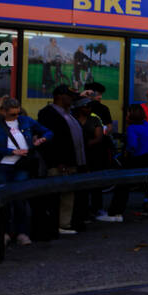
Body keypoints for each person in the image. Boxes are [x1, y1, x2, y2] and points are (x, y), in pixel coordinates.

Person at [0, 97, 51, 246]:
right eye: (12, 114)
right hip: (4, 164)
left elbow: (48, 132)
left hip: (22, 164)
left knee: (20, 200)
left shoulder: (26, 121)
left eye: (18, 113)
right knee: (4, 201)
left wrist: (42, 140)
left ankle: (21, 232)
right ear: (3, 112)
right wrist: (12, 151)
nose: (16, 117)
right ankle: (5, 232)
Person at [37, 84, 87, 234]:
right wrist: (58, 162)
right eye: (69, 97)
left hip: (75, 161)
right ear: (59, 96)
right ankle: (58, 224)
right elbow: (50, 140)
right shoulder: (48, 113)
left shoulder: (69, 113)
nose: (72, 100)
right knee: (59, 196)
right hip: (59, 163)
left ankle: (66, 223)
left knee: (69, 195)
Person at [106, 104, 148, 219]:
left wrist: (127, 152)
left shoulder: (132, 128)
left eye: (127, 113)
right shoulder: (147, 124)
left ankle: (115, 213)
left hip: (135, 159)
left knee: (122, 187)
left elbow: (133, 145)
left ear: (132, 115)